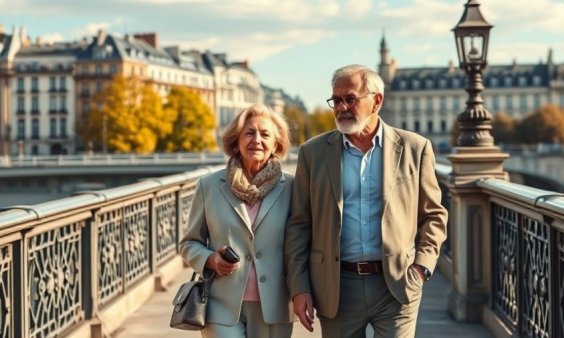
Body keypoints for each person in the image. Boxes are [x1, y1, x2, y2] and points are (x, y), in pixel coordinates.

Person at [285, 64, 448, 338]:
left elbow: (434, 215)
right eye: (336, 100)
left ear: (377, 101)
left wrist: (421, 267)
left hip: (397, 283)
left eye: (350, 99)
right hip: (336, 287)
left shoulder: (415, 148)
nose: (341, 107)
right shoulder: (312, 153)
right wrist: (299, 287)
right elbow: (299, 224)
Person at [179, 104, 295, 338]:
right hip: (220, 304)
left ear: (277, 144)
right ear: (236, 141)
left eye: (265, 134)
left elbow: (302, 244)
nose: (257, 140)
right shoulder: (208, 186)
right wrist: (210, 259)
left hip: (275, 305)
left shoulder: (293, 188)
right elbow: (188, 244)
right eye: (249, 133)